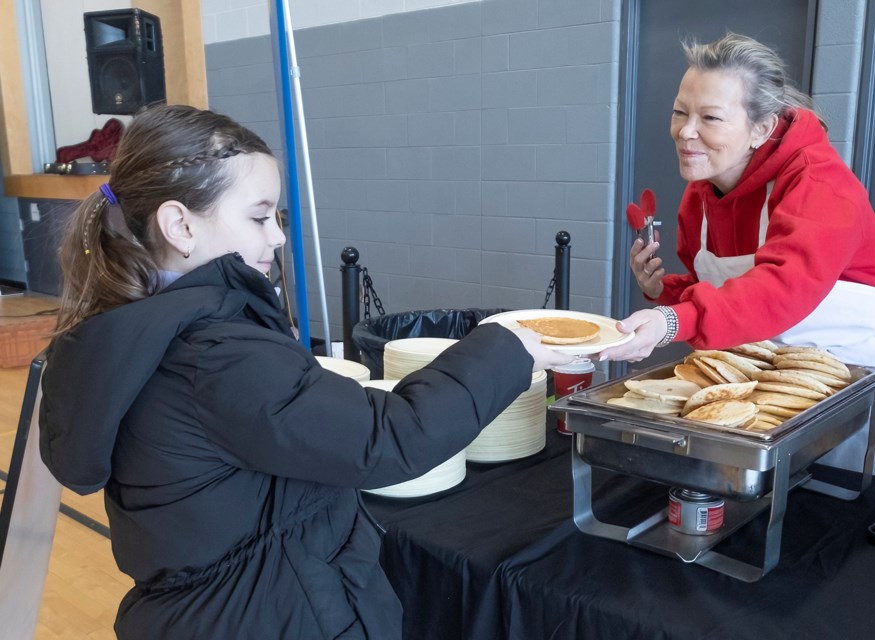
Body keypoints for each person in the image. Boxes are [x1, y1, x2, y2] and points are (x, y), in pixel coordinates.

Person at [38, 104, 573, 639]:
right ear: (180, 224)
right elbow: (390, 436)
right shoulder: (215, 355)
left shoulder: (131, 333)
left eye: (279, 219)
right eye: (258, 216)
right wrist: (507, 346)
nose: (277, 238)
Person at [599, 33, 875, 485]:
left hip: (865, 375)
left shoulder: (820, 184)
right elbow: (729, 293)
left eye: (710, 117)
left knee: (859, 515)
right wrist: (666, 291)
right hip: (773, 378)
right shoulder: (701, 195)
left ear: (762, 128)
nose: (686, 131)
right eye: (680, 112)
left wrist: (673, 320)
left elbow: (780, 288)